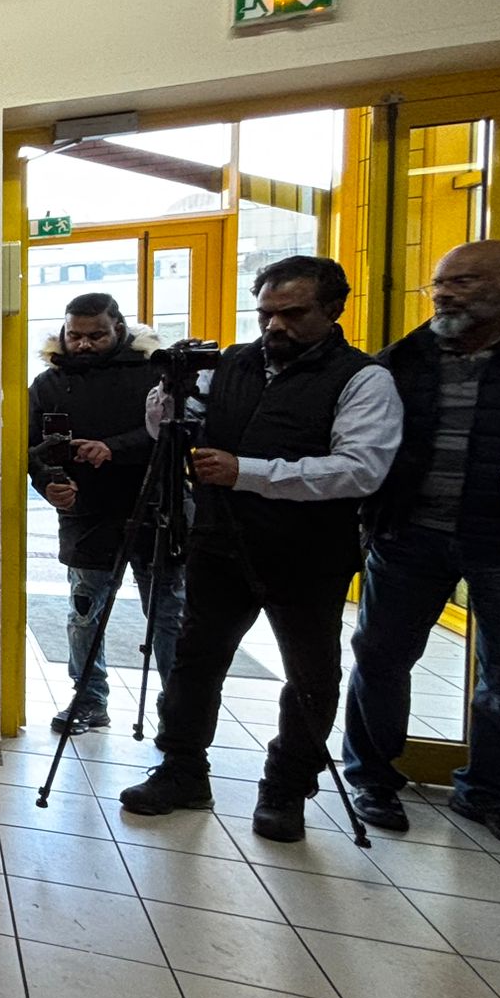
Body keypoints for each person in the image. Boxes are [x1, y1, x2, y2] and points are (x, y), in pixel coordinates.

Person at [120, 256, 404, 841]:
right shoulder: (231, 364)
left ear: (333, 310)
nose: (275, 326)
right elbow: (164, 429)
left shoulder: (363, 378)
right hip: (220, 540)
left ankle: (286, 788)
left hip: (308, 551)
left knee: (309, 673)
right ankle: (181, 770)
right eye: (266, 313)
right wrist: (170, 387)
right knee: (196, 661)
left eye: (292, 313)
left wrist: (245, 471)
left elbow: (360, 469)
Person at [342, 241, 500, 845]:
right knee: (380, 656)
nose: (444, 294)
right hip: (408, 532)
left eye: (464, 282)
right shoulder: (405, 359)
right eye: (439, 284)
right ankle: (372, 776)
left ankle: (492, 790)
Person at [26, 292, 183, 734]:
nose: (83, 344)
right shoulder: (48, 383)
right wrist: (49, 483)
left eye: (96, 335)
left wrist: (113, 448)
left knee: (167, 615)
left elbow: (172, 435)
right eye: (74, 335)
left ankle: (177, 711)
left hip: (154, 508)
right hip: (86, 513)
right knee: (84, 612)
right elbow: (32, 448)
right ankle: (89, 699)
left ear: (120, 329)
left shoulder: (155, 374)